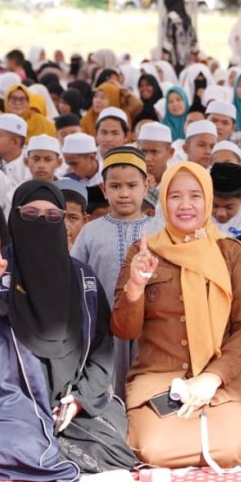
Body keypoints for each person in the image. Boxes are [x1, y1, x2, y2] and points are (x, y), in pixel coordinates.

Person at [0, 182, 137, 482]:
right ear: (14, 218)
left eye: (52, 216)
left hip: (69, 405)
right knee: (14, 447)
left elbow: (102, 350)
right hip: (7, 402)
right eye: (30, 213)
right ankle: (44, 444)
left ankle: (50, 442)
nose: (42, 221)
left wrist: (79, 400)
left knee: (118, 449)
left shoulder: (84, 279)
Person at [111, 162, 241, 468]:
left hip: (223, 380)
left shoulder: (230, 252)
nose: (185, 205)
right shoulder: (143, 253)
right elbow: (124, 330)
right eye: (175, 196)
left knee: (237, 448)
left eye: (195, 196)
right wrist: (135, 287)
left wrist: (212, 377)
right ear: (163, 201)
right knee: (154, 450)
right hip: (160, 379)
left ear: (208, 200)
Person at [71, 147, 160, 397]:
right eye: (115, 186)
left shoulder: (160, 231)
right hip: (102, 326)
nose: (123, 193)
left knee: (143, 389)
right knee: (106, 388)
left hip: (149, 326)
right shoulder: (90, 232)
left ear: (147, 185)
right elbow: (74, 277)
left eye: (132, 185)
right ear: (103, 188)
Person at [161, 0, 199, 70]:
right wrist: (195, 53)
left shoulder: (170, 17)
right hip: (187, 58)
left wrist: (165, 54)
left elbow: (168, 38)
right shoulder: (186, 17)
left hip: (174, 57)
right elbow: (193, 38)